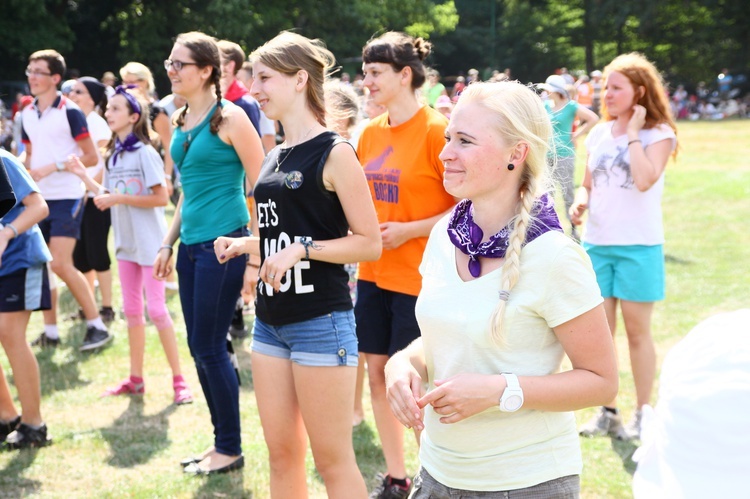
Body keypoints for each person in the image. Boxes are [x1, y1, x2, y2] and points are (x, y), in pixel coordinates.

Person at [384, 80, 618, 497]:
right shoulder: (443, 235)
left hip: (527, 483)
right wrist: (402, 364)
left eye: (465, 141)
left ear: (517, 153)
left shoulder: (555, 256)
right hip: (438, 474)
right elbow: (447, 334)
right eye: (448, 138)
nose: (445, 154)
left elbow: (601, 381)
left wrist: (500, 391)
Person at [214, 31, 380, 498]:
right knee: (282, 453)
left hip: (320, 322)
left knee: (332, 462)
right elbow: (279, 237)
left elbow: (368, 244)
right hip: (270, 323)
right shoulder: (274, 155)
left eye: (264, 77)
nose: (254, 89)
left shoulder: (336, 152)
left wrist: (302, 249)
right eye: (252, 78)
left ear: (299, 79)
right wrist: (246, 245)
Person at [152, 31, 264, 475]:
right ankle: (221, 443)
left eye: (180, 64)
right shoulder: (180, 119)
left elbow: (262, 185)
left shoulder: (231, 118)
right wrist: (168, 240)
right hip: (192, 245)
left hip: (225, 243)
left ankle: (230, 448)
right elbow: (188, 191)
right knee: (201, 346)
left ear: (206, 71)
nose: (172, 70)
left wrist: (254, 256)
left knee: (209, 345)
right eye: (170, 62)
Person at [357, 32, 456, 498]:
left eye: (375, 72)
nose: (366, 81)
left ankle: (431, 479)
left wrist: (411, 229)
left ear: (404, 75)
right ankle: (397, 478)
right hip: (372, 275)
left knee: (415, 385)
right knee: (378, 375)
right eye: (365, 72)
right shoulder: (369, 132)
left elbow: (465, 206)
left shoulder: (438, 130)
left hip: (420, 278)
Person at [571, 52, 677, 441]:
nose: (607, 94)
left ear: (640, 91)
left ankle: (642, 412)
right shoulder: (598, 132)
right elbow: (588, 182)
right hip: (597, 245)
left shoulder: (659, 134)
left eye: (616, 88)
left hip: (639, 246)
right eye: (605, 87)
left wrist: (633, 133)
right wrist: (580, 201)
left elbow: (646, 179)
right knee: (600, 334)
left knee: (637, 334)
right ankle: (608, 412)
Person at [67, 87, 193, 405]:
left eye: (115, 109)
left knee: (157, 310)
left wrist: (118, 197)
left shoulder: (145, 152)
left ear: (133, 117)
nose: (108, 113)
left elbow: (161, 197)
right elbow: (107, 193)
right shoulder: (114, 154)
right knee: (133, 312)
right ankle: (136, 380)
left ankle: (180, 381)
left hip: (152, 246)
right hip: (125, 247)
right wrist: (84, 175)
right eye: (108, 109)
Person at [21, 49, 112, 351]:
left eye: (39, 72)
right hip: (38, 199)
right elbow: (30, 155)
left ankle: (96, 326)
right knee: (42, 264)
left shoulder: (70, 111)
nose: (32, 76)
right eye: (30, 70)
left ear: (55, 78)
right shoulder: (26, 113)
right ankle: (51, 331)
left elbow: (90, 156)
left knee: (60, 263)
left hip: (67, 196)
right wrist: (17, 166)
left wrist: (54, 166)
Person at [0, 149, 53, 448]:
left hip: (21, 260)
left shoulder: (3, 159)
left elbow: (39, 207)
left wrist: (6, 234)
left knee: (10, 334)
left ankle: (34, 425)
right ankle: (7, 416)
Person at [68, 77, 115, 324]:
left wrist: (87, 186)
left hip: (96, 197)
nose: (72, 94)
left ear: (92, 98)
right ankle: (88, 306)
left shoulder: (97, 124)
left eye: (78, 91)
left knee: (97, 253)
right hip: (78, 197)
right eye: (72, 91)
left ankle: (107, 307)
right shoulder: (79, 122)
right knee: (80, 256)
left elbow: (104, 164)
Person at [538, 74, 599, 240]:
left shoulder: (571, 106)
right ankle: (549, 231)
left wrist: (577, 134)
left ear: (555, 90)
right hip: (547, 155)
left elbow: (593, 118)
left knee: (567, 193)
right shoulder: (545, 106)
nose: (545, 92)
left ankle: (572, 230)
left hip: (565, 155)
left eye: (548, 89)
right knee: (547, 193)